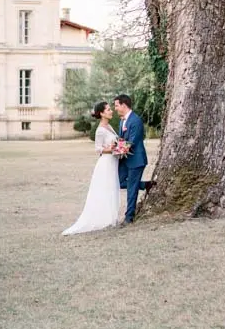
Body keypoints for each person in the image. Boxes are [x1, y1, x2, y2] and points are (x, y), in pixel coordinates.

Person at [61, 101, 121, 235]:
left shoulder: (109, 126)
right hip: (106, 162)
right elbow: (98, 149)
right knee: (104, 189)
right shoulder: (100, 130)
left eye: (111, 109)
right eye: (108, 110)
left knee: (111, 188)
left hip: (113, 162)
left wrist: (118, 148)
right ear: (101, 113)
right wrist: (110, 149)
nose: (111, 111)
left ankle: (111, 217)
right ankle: (103, 218)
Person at [114, 94, 155, 224]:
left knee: (131, 189)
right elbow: (121, 140)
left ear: (123, 105)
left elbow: (131, 143)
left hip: (136, 160)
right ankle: (144, 184)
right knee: (118, 182)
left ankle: (129, 217)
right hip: (125, 160)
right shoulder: (122, 120)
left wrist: (113, 151)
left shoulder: (135, 120)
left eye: (116, 105)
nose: (115, 108)